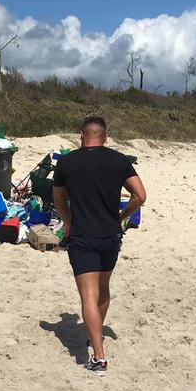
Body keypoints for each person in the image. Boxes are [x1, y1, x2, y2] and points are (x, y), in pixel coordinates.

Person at [52, 114, 146, 375]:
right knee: (103, 290)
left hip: (83, 237)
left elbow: (58, 200)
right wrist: (122, 217)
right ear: (105, 137)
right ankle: (96, 336)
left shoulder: (67, 162)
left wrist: (68, 221)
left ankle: (99, 358)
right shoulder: (119, 160)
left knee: (88, 296)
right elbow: (140, 195)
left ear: (82, 135)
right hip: (110, 236)